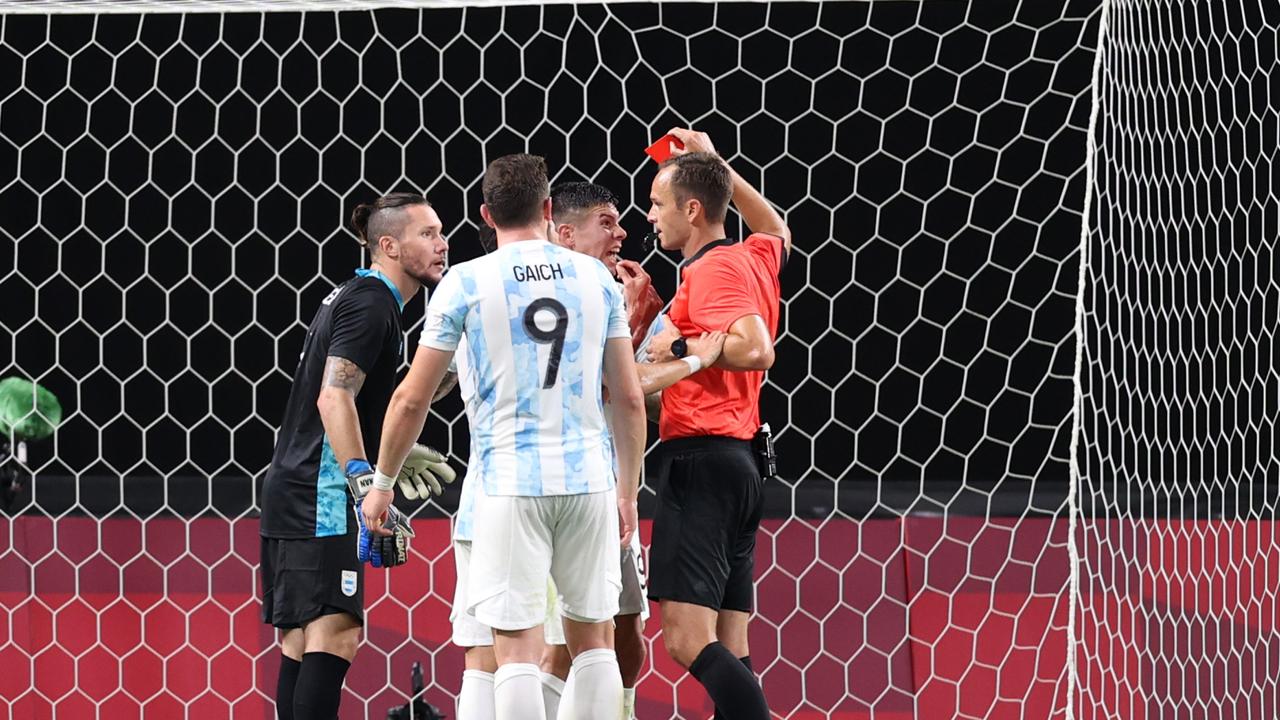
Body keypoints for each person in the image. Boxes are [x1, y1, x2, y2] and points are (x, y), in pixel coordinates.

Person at [361, 154, 646, 720]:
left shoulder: (466, 282)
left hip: (507, 483)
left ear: (487, 215)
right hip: (588, 478)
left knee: (512, 650)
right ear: (547, 209)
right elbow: (630, 397)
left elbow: (412, 397)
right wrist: (628, 492)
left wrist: (384, 482)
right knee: (594, 639)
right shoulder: (595, 279)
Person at [258, 193, 457, 720]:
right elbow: (333, 396)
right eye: (428, 234)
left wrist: (391, 444)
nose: (442, 244)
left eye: (441, 232)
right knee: (335, 632)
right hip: (320, 493)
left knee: (303, 641)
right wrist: (364, 478)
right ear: (388, 245)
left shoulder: (358, 296)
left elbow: (369, 395)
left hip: (295, 485)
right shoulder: (373, 304)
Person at [540, 181, 726, 720]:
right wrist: (693, 359)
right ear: (565, 233)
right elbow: (603, 387)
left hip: (610, 490)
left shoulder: (618, 297)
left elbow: (644, 406)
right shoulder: (556, 295)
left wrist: (641, 327)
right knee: (562, 642)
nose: (624, 232)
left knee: (626, 629)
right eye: (607, 222)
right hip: (557, 490)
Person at [643, 128, 792, 720]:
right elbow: (777, 228)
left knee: (684, 637)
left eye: (658, 203)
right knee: (731, 647)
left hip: (703, 462)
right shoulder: (753, 256)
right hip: (741, 465)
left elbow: (757, 349)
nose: (650, 215)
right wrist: (716, 165)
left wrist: (680, 338)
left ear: (693, 209)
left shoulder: (714, 270)